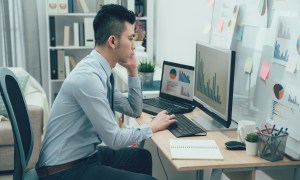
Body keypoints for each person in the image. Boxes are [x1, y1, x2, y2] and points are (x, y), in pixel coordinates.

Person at [36, 4, 176, 180]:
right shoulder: (89, 78)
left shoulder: (101, 71)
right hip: (61, 170)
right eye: (130, 38)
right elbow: (114, 140)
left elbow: (134, 109)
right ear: (113, 41)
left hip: (84, 157)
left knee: (143, 158)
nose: (133, 46)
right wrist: (152, 126)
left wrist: (132, 70)